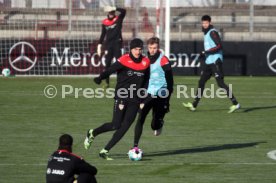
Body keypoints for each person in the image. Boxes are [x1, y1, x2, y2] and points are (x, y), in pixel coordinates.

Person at [84, 38, 150, 160]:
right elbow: (110, 70)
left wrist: (143, 98)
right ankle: (92, 133)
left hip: (136, 99)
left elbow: (146, 81)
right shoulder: (124, 59)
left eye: (140, 49)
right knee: (115, 125)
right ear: (131, 49)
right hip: (122, 96)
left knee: (126, 126)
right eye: (136, 49)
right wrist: (100, 78)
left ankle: (105, 150)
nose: (138, 52)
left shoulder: (146, 62)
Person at [183, 15, 240, 113]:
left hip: (215, 61)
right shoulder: (206, 33)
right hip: (209, 62)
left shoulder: (212, 32)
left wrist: (206, 52)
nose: (204, 24)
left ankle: (235, 104)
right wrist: (206, 53)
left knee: (221, 84)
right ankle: (194, 105)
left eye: (206, 23)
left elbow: (219, 46)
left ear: (210, 23)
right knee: (201, 82)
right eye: (203, 23)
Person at [132, 37, 174, 149]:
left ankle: (159, 123)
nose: (152, 50)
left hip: (162, 93)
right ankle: (135, 146)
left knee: (154, 125)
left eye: (154, 48)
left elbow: (170, 81)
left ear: (158, 47)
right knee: (140, 117)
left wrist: (167, 101)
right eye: (150, 48)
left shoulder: (163, 60)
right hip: (149, 93)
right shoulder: (145, 60)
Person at [97, 6, 126, 88]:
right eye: (110, 12)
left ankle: (121, 82)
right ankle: (107, 83)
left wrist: (115, 7)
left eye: (112, 12)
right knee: (107, 64)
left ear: (114, 12)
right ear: (108, 13)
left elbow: (124, 11)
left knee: (119, 63)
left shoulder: (118, 19)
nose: (111, 14)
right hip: (108, 45)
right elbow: (103, 34)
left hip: (117, 44)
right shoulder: (105, 22)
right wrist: (99, 45)